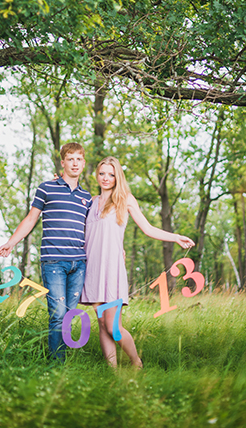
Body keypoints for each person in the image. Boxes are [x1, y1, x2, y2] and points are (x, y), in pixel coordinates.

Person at [81, 156, 195, 368]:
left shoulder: (125, 199)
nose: (106, 178)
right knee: (101, 323)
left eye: (111, 174)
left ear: (118, 177)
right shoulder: (91, 202)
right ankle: (112, 372)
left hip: (112, 269)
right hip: (93, 269)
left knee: (113, 326)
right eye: (102, 173)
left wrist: (176, 237)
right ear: (97, 175)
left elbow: (148, 228)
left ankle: (136, 363)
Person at [0, 142, 91, 362]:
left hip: (79, 263)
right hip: (54, 262)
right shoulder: (46, 188)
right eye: (70, 159)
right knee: (57, 315)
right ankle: (56, 366)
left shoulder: (86, 197)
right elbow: (31, 219)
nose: (75, 163)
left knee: (68, 316)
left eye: (79, 159)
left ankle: (63, 362)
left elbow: (94, 228)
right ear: (63, 162)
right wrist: (11, 242)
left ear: (83, 163)